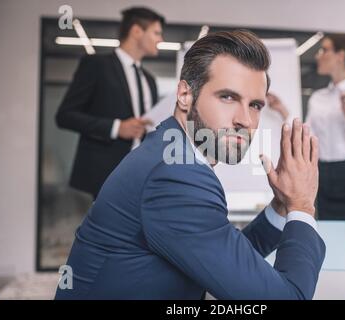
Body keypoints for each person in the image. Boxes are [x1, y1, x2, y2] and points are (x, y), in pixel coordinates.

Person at [55, 30, 325, 300]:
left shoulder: (170, 153)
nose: (245, 120)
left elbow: (225, 259)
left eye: (255, 105)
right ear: (185, 94)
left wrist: (282, 206)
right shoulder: (175, 177)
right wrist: (302, 206)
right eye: (228, 97)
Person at [268, 34, 345, 246]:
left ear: (340, 55)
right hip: (323, 177)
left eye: (324, 50)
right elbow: (307, 134)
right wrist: (283, 110)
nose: (319, 56)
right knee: (335, 247)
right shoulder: (318, 97)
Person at [56, 7, 165, 199]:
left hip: (142, 173)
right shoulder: (97, 66)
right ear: (137, 31)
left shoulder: (150, 80)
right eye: (156, 33)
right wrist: (116, 127)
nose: (160, 40)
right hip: (105, 174)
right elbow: (65, 116)